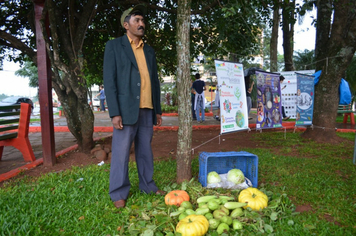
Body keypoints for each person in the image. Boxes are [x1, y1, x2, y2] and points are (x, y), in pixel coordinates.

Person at [103, 4, 165, 209]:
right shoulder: (114, 46)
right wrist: (114, 112)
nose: (141, 24)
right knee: (121, 152)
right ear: (125, 24)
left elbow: (154, 81)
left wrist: (157, 109)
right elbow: (109, 82)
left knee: (145, 150)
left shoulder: (148, 50)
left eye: (142, 21)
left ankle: (148, 185)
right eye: (136, 20)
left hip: (147, 109)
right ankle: (118, 192)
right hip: (125, 109)